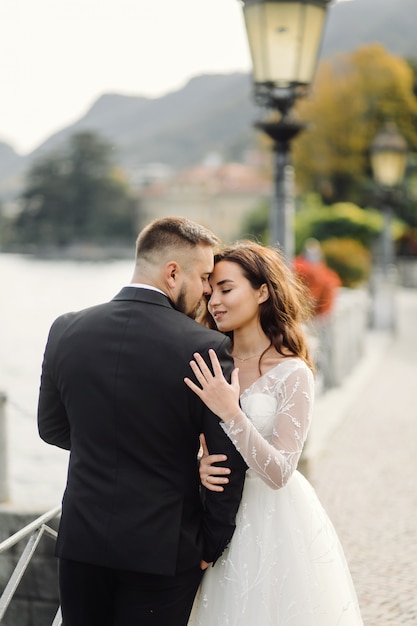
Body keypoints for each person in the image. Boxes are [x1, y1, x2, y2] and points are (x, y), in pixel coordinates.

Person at [37, 216, 247, 626]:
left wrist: (107, 446)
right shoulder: (207, 345)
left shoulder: (66, 328)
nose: (207, 289)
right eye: (204, 277)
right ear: (173, 273)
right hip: (164, 551)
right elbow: (225, 461)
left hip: (82, 543)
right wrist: (212, 542)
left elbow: (51, 428)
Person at [185, 240, 364, 626]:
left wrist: (232, 411)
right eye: (210, 290)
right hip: (215, 520)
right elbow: (190, 439)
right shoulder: (212, 363)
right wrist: (198, 465)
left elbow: (280, 471)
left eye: (226, 289)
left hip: (274, 523)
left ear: (262, 291)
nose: (214, 300)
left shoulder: (293, 372)